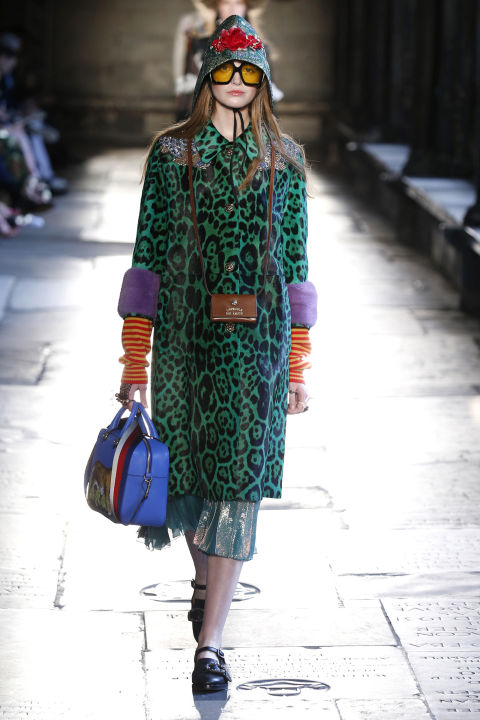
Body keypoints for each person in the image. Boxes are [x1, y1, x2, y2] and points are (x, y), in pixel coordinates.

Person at [116, 14, 317, 693]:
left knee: (237, 485)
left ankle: (212, 643)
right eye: (224, 70)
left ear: (263, 80)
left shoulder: (286, 159)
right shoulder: (172, 153)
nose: (235, 81)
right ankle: (205, 586)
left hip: (258, 348)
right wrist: (134, 361)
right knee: (193, 480)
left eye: (248, 71)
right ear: (207, 77)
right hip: (183, 344)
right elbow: (146, 256)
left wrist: (298, 366)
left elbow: (297, 266)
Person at [173, 0, 283, 120]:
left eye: (239, 3)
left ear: (246, 7)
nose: (232, 9)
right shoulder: (199, 45)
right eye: (226, 3)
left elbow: (267, 99)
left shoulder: (260, 49)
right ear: (217, 6)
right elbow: (188, 95)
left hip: (249, 121)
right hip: (205, 119)